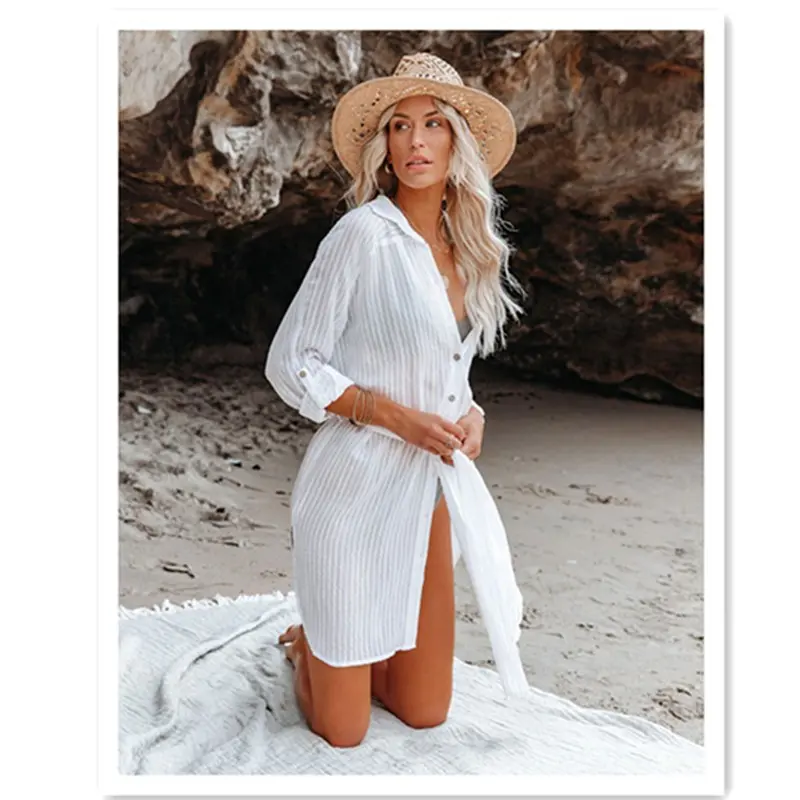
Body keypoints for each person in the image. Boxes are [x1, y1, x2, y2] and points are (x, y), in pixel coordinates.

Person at [264, 52, 527, 749]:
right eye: (400, 125)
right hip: (351, 489)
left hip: (427, 491)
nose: (416, 141)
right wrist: (395, 417)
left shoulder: (470, 249)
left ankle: (346, 649)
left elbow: (448, 369)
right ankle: (310, 645)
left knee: (424, 711)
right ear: (383, 145)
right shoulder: (361, 236)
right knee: (343, 730)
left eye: (434, 124)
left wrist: (472, 415)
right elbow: (292, 363)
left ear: (457, 141)